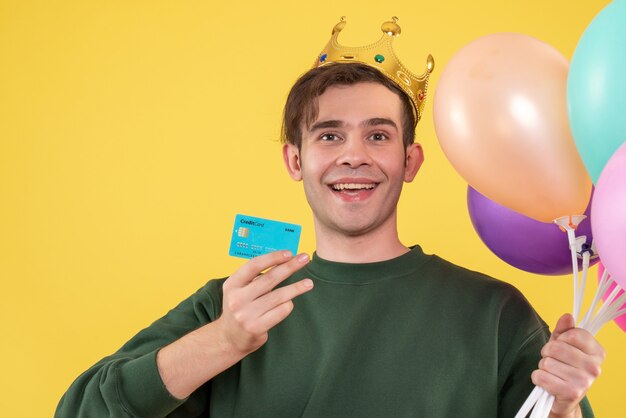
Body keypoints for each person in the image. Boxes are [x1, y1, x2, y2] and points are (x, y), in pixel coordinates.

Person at [56, 18, 605, 418]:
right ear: (296, 160)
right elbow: (81, 411)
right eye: (329, 135)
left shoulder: (496, 315)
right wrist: (223, 340)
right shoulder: (235, 305)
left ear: (410, 162)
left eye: (378, 135)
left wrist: (561, 407)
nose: (353, 155)